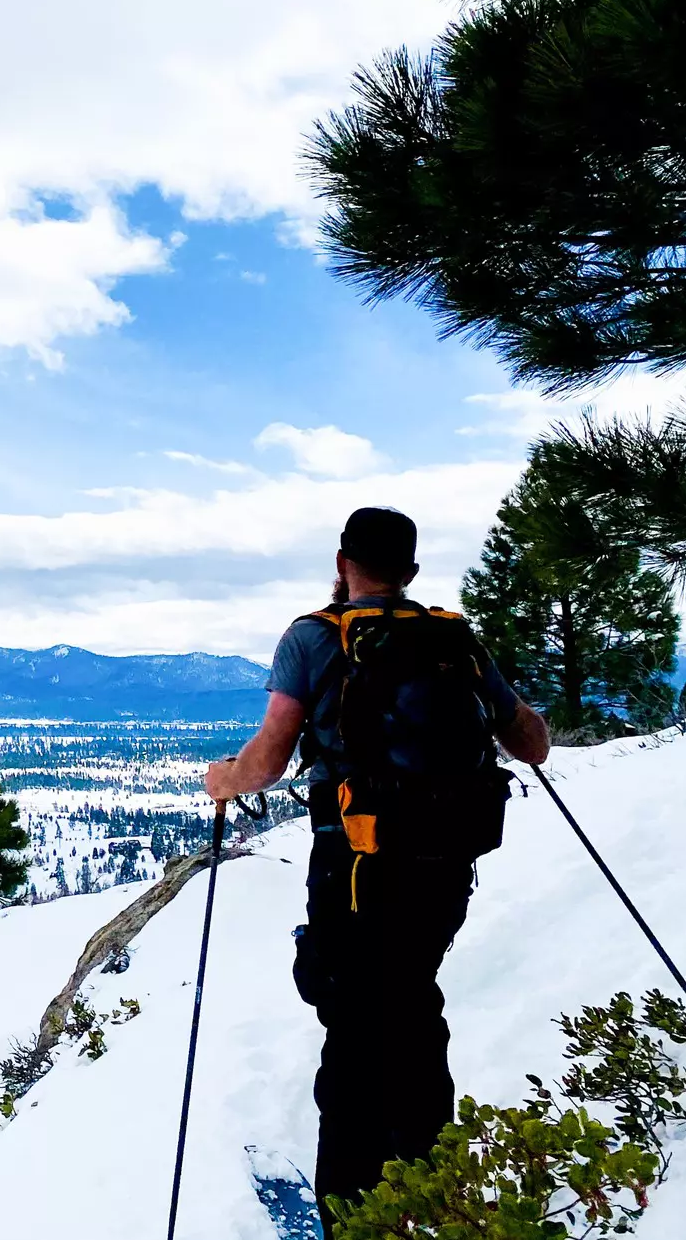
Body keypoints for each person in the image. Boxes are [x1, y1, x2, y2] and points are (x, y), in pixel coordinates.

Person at [204, 506, 550, 1234]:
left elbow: (268, 759)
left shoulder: (312, 637)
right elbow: (532, 743)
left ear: (342, 562)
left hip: (354, 866)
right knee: (414, 1007)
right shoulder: (453, 636)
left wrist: (222, 779)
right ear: (411, 572)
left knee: (355, 1030)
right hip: (444, 863)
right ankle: (437, 1197)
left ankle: (356, 1216)